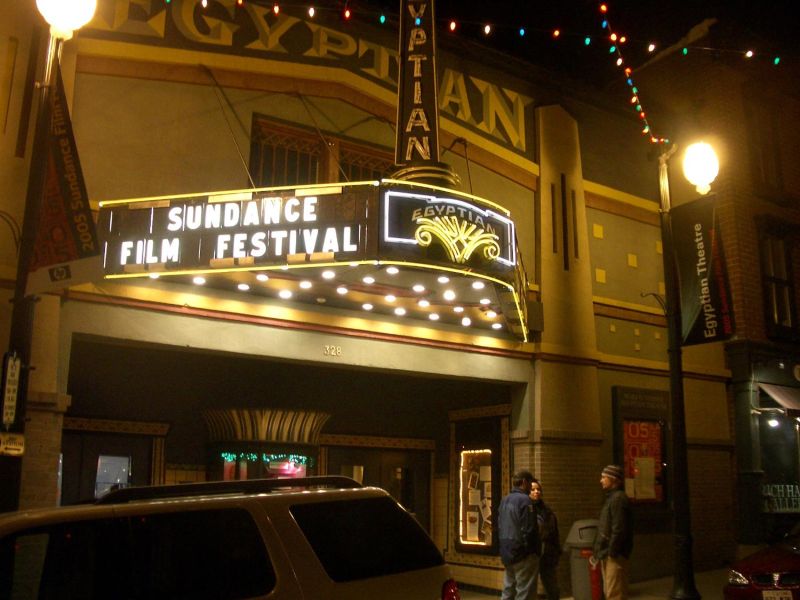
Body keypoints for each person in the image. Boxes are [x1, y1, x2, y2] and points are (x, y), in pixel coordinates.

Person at [592, 464, 633, 600]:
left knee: (614, 593)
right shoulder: (612, 498)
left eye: (604, 477)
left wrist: (612, 552)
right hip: (608, 553)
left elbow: (619, 528)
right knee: (611, 591)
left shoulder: (618, 499)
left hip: (614, 555)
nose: (601, 480)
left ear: (614, 479)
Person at [499, 470, 541, 600]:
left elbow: (499, 525)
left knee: (508, 589)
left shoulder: (504, 500)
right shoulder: (525, 501)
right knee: (525, 591)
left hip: (507, 550)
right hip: (523, 554)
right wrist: (533, 550)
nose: (531, 487)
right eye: (530, 483)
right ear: (524, 482)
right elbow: (529, 529)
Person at [530, 479, 560, 600]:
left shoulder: (547, 511)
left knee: (550, 583)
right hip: (532, 552)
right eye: (532, 490)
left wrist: (556, 551)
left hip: (547, 552)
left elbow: (553, 532)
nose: (536, 492)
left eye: (538, 489)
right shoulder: (526, 509)